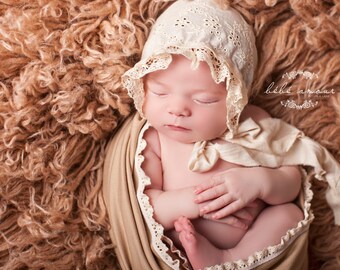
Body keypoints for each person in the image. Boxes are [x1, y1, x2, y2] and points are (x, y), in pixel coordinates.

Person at [122, 1, 304, 269]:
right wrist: (197, 202)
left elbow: (291, 182)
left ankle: (229, 260)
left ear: (235, 98)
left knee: (289, 215)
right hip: (183, 237)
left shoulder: (254, 121)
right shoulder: (154, 138)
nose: (178, 109)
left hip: (251, 243)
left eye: (204, 99)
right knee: (169, 234)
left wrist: (260, 182)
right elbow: (149, 208)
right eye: (160, 92)